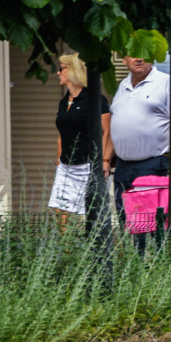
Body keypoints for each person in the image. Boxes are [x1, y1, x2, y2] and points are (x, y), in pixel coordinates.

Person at [107, 55, 170, 245]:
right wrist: (105, 159)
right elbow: (115, 124)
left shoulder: (165, 83)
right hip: (123, 167)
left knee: (152, 229)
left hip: (152, 164)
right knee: (127, 224)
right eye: (134, 54)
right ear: (124, 60)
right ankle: (135, 269)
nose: (139, 59)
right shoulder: (123, 86)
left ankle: (156, 268)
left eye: (145, 55)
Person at [50, 53, 110, 227]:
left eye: (61, 69)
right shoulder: (64, 102)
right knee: (61, 212)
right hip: (66, 165)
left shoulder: (95, 99)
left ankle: (98, 249)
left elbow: (106, 131)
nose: (58, 73)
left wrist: (104, 160)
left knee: (92, 213)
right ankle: (68, 251)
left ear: (73, 71)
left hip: (87, 165)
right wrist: (59, 161)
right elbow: (62, 132)